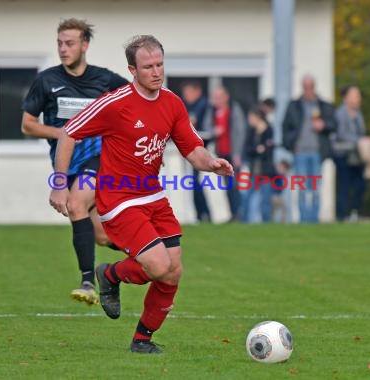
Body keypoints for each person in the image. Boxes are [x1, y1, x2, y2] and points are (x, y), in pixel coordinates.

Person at [50, 35, 233, 353]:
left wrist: (211, 163)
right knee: (159, 266)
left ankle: (141, 340)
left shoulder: (172, 103)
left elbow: (192, 149)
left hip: (153, 196)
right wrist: (58, 183)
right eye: (148, 66)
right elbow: (68, 133)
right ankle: (111, 274)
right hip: (118, 199)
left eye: (160, 64)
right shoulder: (115, 103)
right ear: (132, 69)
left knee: (173, 272)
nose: (156, 72)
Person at [21, 18, 128, 305]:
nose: (63, 49)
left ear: (84, 45)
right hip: (65, 164)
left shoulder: (105, 80)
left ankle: (87, 283)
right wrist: (62, 133)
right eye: (59, 43)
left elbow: (135, 106)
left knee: (77, 202)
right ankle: (149, 252)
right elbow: (27, 125)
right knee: (102, 236)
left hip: (99, 158)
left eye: (69, 43)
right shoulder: (46, 81)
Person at [282, 74, 336, 223]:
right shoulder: (294, 106)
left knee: (315, 188)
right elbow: (285, 127)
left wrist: (323, 125)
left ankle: (314, 219)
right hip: (300, 152)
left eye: (310, 87)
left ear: (314, 87)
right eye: (305, 87)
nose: (308, 90)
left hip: (317, 153)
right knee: (302, 188)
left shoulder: (323, 106)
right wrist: (290, 145)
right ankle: (304, 219)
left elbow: (333, 124)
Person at [203, 86, 246, 222]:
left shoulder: (234, 110)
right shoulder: (212, 112)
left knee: (235, 186)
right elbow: (206, 129)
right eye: (215, 97)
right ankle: (233, 215)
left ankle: (240, 214)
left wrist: (238, 154)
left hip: (233, 155)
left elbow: (241, 133)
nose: (217, 100)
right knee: (227, 186)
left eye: (219, 97)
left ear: (226, 97)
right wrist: (214, 131)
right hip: (221, 154)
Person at [333, 85, 366, 222]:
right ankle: (342, 215)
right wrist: (359, 141)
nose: (358, 98)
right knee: (344, 185)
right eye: (355, 95)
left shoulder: (358, 114)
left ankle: (354, 213)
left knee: (359, 185)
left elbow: (362, 132)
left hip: (356, 155)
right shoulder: (340, 113)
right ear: (346, 97)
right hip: (343, 154)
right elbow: (341, 134)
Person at [180, 80, 211, 222]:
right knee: (192, 181)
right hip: (192, 149)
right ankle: (201, 215)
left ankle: (204, 214)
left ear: (197, 91)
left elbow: (191, 123)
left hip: (201, 149)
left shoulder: (203, 105)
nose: (186, 97)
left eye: (188, 93)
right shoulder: (190, 105)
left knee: (195, 182)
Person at [242, 106, 275, 223]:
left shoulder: (269, 130)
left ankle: (266, 223)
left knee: (266, 201)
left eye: (251, 117)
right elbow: (247, 149)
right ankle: (243, 222)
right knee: (246, 198)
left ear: (257, 117)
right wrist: (258, 149)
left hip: (265, 172)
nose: (249, 120)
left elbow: (268, 151)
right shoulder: (251, 131)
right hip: (253, 171)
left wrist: (260, 149)